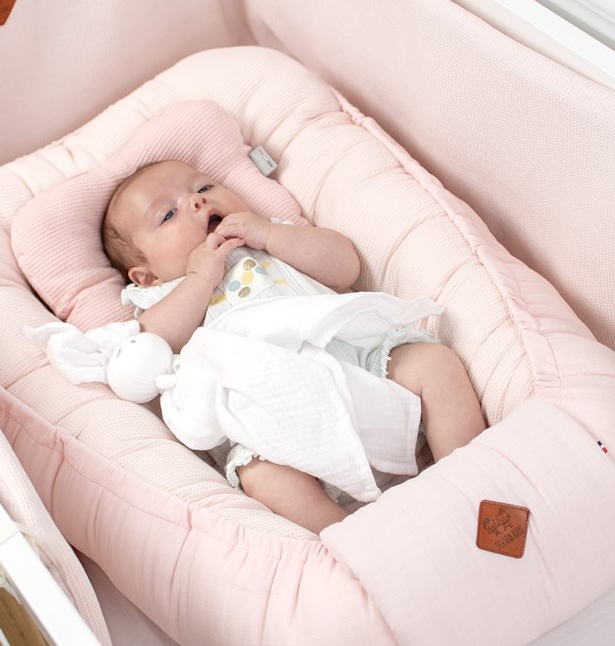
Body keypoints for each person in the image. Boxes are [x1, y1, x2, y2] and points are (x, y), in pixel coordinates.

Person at [102, 159, 485, 532]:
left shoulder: (273, 238)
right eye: (168, 215)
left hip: (361, 372)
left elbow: (345, 267)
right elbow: (153, 343)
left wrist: (269, 235)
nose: (196, 201)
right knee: (260, 474)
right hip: (277, 430)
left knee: (433, 363)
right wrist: (199, 278)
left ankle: (473, 485)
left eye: (203, 187)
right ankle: (357, 539)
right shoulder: (166, 295)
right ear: (147, 277)